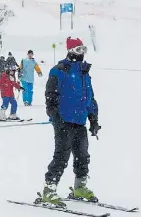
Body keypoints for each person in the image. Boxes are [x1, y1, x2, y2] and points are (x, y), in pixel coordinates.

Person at [39, 37, 100, 206]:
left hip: (79, 121)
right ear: (71, 51)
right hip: (64, 120)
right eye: (79, 49)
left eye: (84, 49)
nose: (82, 53)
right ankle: (49, 190)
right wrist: (54, 116)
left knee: (82, 156)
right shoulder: (59, 70)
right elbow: (50, 96)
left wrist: (93, 118)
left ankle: (80, 187)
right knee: (62, 155)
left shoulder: (84, 72)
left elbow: (90, 97)